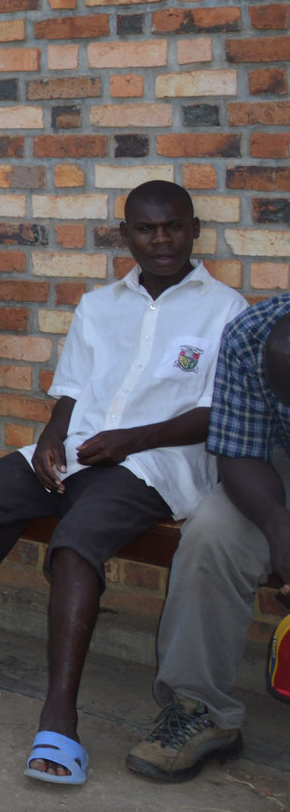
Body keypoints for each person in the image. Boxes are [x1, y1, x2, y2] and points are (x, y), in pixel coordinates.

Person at [0, 182, 246, 785]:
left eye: (173, 227)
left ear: (194, 230)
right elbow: (71, 390)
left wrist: (130, 441)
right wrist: (54, 438)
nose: (160, 239)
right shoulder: (100, 304)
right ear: (126, 235)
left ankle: (60, 721)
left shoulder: (225, 310)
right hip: (73, 454)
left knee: (73, 546)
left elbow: (219, 413)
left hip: (153, 465)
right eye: (146, 229)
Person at [127, 292, 290, 783]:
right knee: (212, 534)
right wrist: (279, 527)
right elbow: (240, 453)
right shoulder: (254, 333)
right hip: (278, 462)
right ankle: (201, 710)